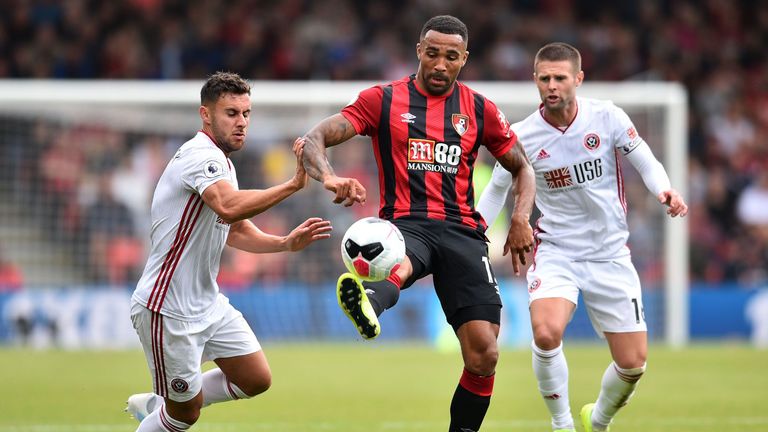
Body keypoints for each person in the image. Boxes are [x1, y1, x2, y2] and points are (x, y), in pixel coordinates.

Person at [301, 15, 535, 432]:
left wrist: (519, 218)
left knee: (484, 354)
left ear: (464, 58)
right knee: (404, 258)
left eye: (450, 56)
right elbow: (316, 137)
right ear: (418, 52)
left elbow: (523, 168)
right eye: (432, 53)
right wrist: (330, 177)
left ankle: (373, 301)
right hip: (406, 223)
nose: (440, 64)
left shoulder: (480, 109)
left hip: (464, 231)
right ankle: (370, 303)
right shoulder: (383, 100)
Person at [476, 42, 689, 432]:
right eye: (544, 79)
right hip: (557, 249)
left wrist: (665, 189)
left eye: (560, 78)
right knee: (545, 331)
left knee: (633, 364)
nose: (552, 86)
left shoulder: (606, 117)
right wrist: (474, 232)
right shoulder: (522, 135)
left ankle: (599, 419)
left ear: (578, 78)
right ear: (535, 81)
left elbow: (643, 157)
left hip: (610, 254)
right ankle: (561, 424)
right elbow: (496, 189)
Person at [125, 71, 332, 432]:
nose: (241, 123)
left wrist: (284, 243)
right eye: (231, 113)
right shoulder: (198, 155)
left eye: (246, 114)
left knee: (255, 379)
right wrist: (292, 185)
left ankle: (163, 403)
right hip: (168, 307)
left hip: (207, 302)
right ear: (206, 115)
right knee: (184, 415)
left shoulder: (223, 163)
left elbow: (234, 229)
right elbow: (228, 206)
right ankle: (166, 409)